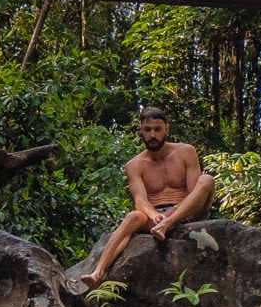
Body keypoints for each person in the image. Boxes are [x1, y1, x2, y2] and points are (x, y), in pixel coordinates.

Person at [82, 104, 217, 288]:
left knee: (207, 180)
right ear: (141, 130)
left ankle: (165, 226)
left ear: (167, 129)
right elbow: (140, 199)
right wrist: (154, 215)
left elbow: (194, 193)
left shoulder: (185, 151)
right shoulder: (135, 165)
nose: (152, 135)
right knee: (133, 216)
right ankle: (98, 273)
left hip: (188, 211)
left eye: (157, 129)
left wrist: (170, 216)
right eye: (147, 130)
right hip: (156, 217)